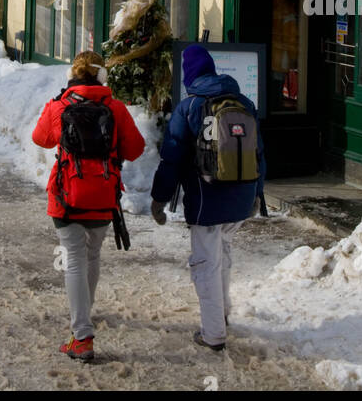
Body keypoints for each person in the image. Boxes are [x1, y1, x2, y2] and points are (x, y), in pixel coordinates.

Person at [32, 49, 145, 362]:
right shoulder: (115, 107)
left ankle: (81, 335)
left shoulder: (59, 105)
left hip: (66, 195)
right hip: (103, 194)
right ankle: (83, 315)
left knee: (74, 259)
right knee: (91, 255)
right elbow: (135, 149)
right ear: (102, 76)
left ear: (73, 74)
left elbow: (40, 138)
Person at [150, 45, 264, 353]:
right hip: (242, 197)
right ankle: (222, 314)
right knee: (223, 254)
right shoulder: (244, 102)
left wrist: (159, 199)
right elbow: (259, 153)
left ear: (189, 74)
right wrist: (257, 193)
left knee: (205, 264)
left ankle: (213, 334)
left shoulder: (190, 107)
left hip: (206, 198)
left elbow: (171, 158)